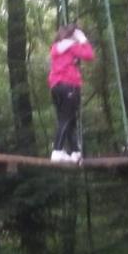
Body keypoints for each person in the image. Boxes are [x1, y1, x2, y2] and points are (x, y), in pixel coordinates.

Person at [48, 22, 94, 163]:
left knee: (69, 120)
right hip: (69, 86)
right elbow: (89, 55)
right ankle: (57, 151)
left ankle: (74, 152)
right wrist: (83, 39)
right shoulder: (72, 47)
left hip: (56, 86)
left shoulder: (56, 47)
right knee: (67, 119)